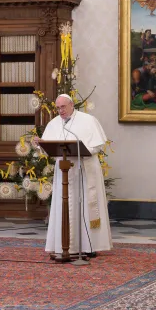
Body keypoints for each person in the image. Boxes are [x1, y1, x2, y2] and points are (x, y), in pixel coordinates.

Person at [39, 94, 112, 257]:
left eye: (63, 107)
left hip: (84, 169)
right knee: (64, 205)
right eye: (57, 108)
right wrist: (41, 144)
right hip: (64, 170)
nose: (60, 111)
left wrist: (82, 150)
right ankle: (63, 245)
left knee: (85, 205)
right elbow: (48, 147)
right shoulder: (54, 123)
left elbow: (98, 145)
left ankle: (89, 246)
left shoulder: (88, 120)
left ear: (72, 105)